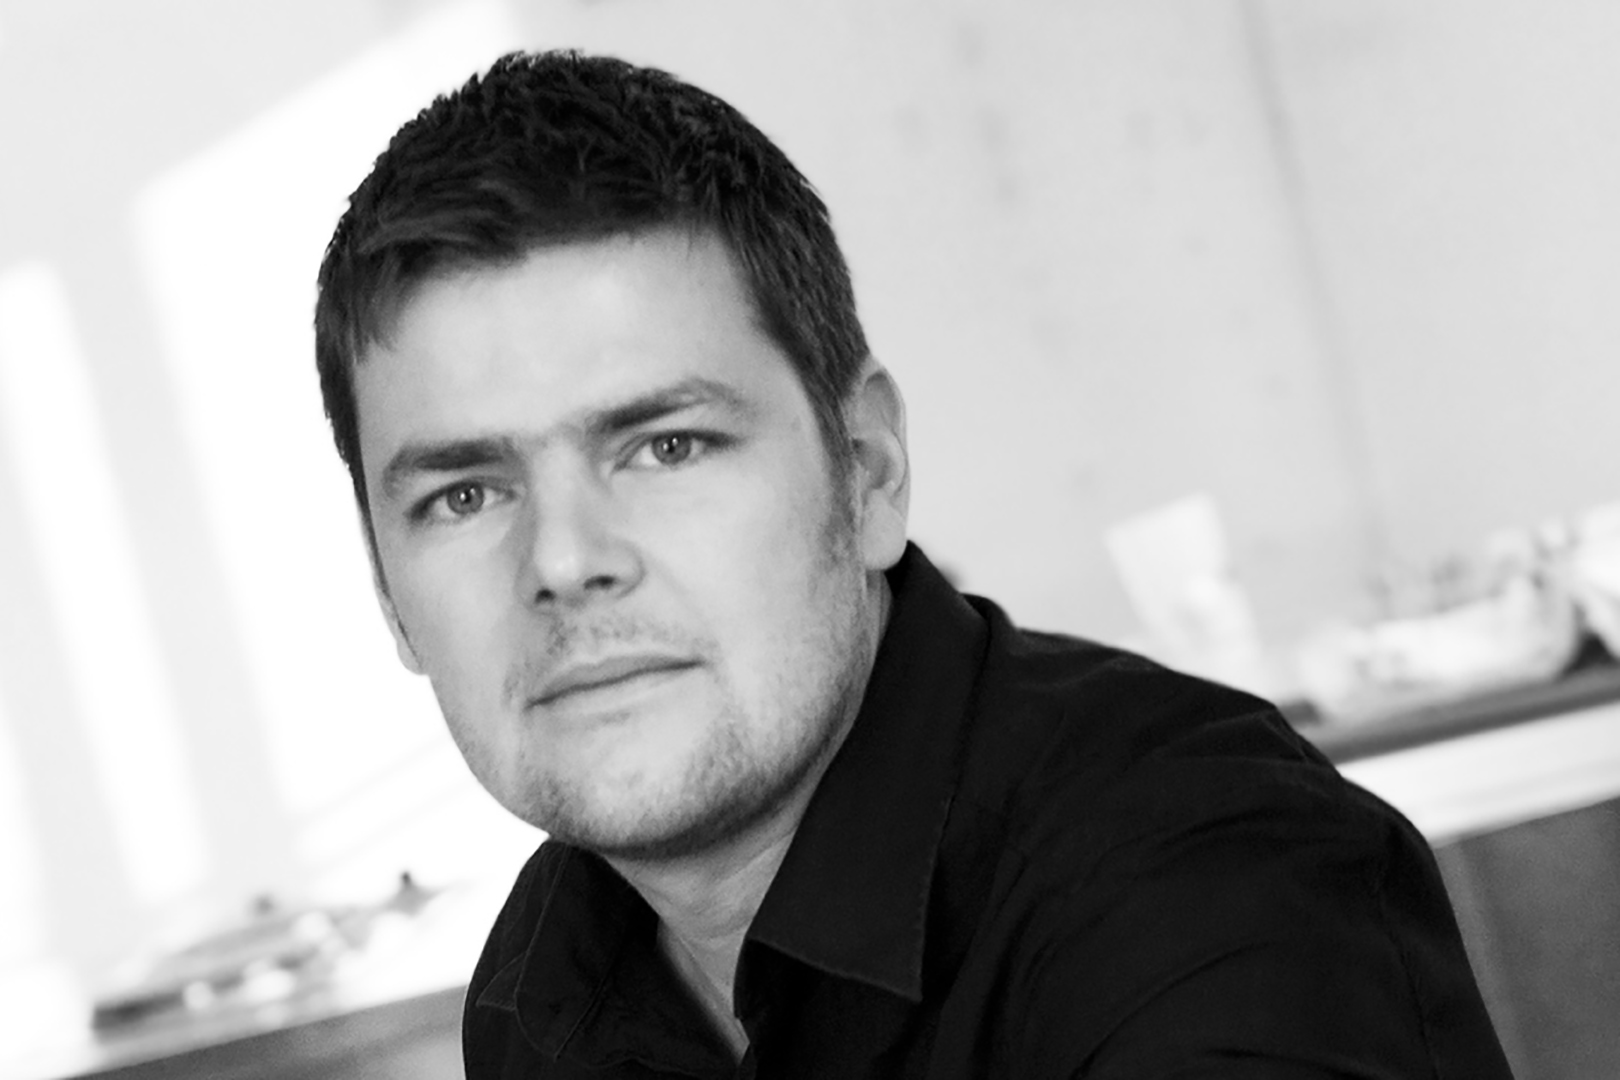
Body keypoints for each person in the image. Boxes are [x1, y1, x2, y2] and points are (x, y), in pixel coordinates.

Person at [313, 50, 1512, 1079]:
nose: (566, 560)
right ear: (388, 599)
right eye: (464, 495)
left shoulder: (1210, 884)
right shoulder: (543, 983)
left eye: (667, 446)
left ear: (868, 469)